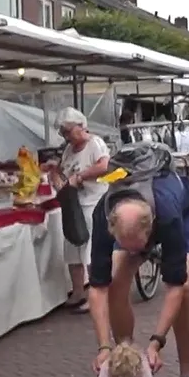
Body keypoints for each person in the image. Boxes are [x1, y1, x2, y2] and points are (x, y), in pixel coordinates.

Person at [87, 145, 189, 377]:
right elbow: (97, 289)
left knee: (184, 288)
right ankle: (126, 369)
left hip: (186, 212)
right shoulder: (103, 215)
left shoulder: (168, 215)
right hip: (134, 222)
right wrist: (105, 347)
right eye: (123, 244)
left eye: (135, 246)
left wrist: (155, 343)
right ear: (112, 228)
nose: (131, 252)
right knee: (117, 284)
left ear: (150, 227)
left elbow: (174, 287)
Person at [49, 108, 111, 313]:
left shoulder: (95, 144)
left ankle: (96, 294)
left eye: (67, 131)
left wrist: (81, 177)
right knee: (73, 248)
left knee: (91, 250)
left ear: (79, 126)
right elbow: (62, 169)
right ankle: (78, 291)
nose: (65, 136)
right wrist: (54, 173)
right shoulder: (68, 149)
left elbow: (104, 166)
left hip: (93, 202)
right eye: (63, 132)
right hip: (74, 203)